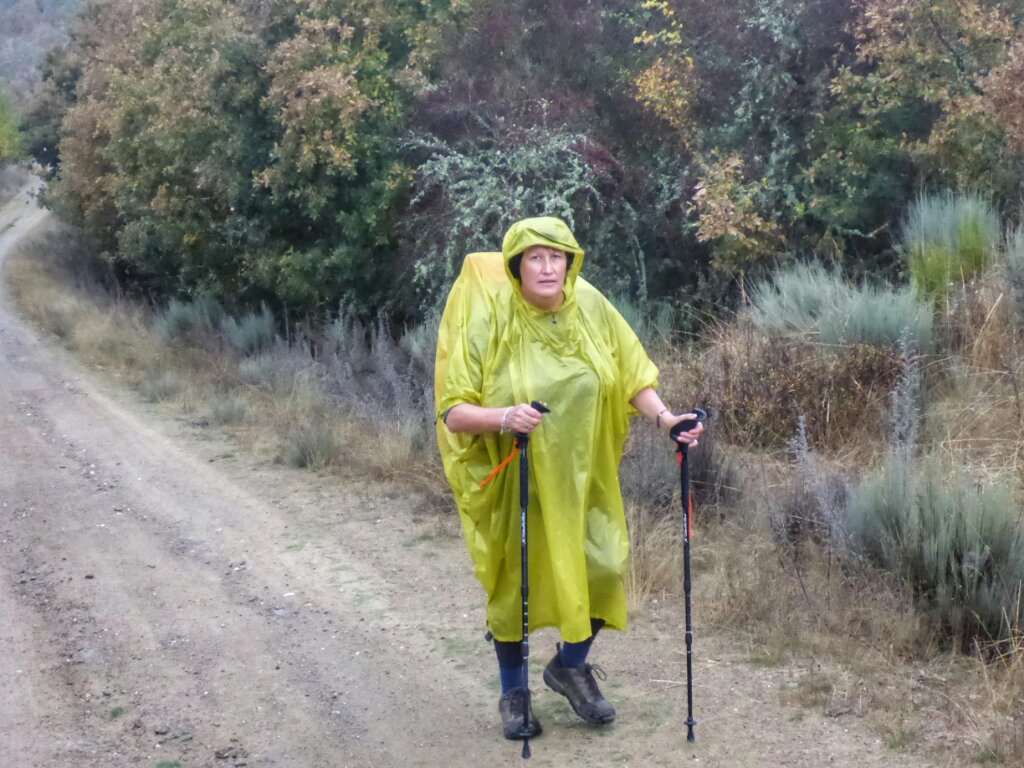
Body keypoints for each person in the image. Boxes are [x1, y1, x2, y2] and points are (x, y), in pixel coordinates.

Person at [434, 216, 702, 741]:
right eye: (535, 257)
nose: (547, 267)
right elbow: (454, 412)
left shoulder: (592, 307)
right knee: (516, 589)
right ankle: (514, 693)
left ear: (570, 263)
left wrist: (666, 419)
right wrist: (505, 417)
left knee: (604, 565)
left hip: (587, 478)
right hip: (518, 480)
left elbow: (631, 374)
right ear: (516, 266)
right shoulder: (492, 317)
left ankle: (569, 667)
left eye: (556, 256)